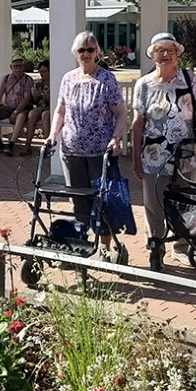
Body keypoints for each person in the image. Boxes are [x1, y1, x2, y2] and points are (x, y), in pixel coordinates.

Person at [130, 32, 196, 261]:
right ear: (152, 55)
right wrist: (136, 159)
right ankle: (155, 247)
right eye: (159, 50)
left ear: (177, 54)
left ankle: (182, 247)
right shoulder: (144, 85)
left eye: (170, 50)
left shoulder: (188, 79)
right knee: (154, 206)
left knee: (186, 203)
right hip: (153, 157)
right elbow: (137, 124)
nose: (165, 54)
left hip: (185, 155)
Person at [45, 31, 128, 255]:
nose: (86, 54)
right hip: (71, 151)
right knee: (78, 201)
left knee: (102, 201)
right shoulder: (68, 79)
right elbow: (60, 111)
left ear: (97, 52)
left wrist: (116, 138)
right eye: (81, 50)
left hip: (100, 152)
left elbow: (121, 113)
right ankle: (80, 243)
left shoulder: (106, 79)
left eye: (90, 49)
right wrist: (53, 135)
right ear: (75, 53)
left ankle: (104, 246)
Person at [0, 55, 35, 156]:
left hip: (21, 108)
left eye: (20, 66)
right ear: (11, 67)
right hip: (6, 107)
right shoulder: (6, 78)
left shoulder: (27, 79)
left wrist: (16, 111)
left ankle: (11, 144)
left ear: (23, 67)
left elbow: (27, 98)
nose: (18, 68)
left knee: (20, 117)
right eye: (15, 66)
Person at [23, 60, 51, 155]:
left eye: (44, 71)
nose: (42, 74)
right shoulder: (39, 83)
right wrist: (34, 95)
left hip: (50, 108)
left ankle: (48, 146)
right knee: (32, 114)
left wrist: (42, 94)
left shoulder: (54, 83)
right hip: (40, 107)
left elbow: (52, 98)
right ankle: (27, 146)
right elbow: (35, 102)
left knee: (45, 115)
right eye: (40, 72)